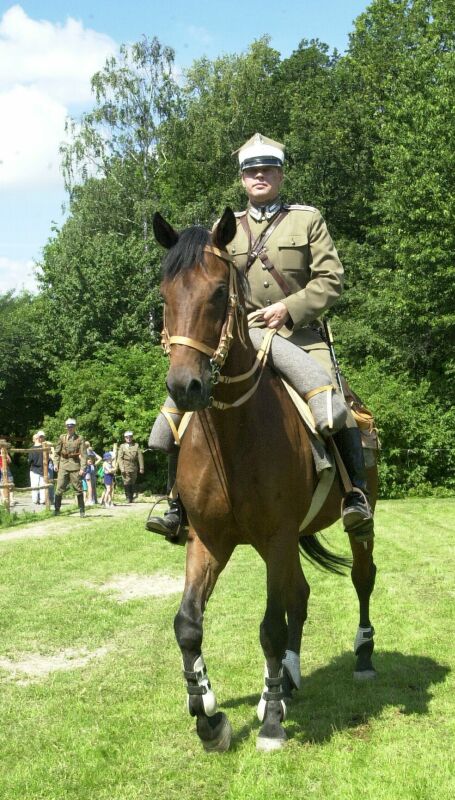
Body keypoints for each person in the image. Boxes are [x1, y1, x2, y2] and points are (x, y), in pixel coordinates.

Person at [147, 133, 373, 539]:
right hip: (241, 339)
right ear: (242, 180)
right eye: (251, 171)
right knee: (179, 407)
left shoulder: (307, 219)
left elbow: (331, 279)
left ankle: (354, 494)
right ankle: (177, 502)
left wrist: (289, 308)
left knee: (331, 402)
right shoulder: (225, 227)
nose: (259, 176)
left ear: (281, 174)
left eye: (267, 169)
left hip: (300, 335)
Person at [53, 418, 87, 517]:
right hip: (63, 465)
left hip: (75, 465)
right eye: (68, 426)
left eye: (72, 426)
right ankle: (56, 509)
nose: (70, 428)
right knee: (59, 487)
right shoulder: (62, 437)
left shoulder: (79, 438)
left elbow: (84, 455)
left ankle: (82, 510)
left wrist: (82, 468)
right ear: (66, 427)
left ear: (75, 427)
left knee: (78, 488)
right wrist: (56, 463)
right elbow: (57, 452)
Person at [116, 431, 144, 503]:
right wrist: (122, 468)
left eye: (130, 437)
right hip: (125, 466)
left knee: (133, 481)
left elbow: (140, 457)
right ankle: (128, 497)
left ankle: (132, 497)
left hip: (134, 466)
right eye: (127, 437)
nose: (129, 438)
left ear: (132, 437)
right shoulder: (122, 446)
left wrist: (141, 467)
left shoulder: (136, 445)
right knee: (126, 481)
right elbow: (120, 458)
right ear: (125, 438)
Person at [28, 430, 47, 505]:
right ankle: (42, 500)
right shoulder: (44, 447)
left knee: (34, 486)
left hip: (34, 469)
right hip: (43, 468)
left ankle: (35, 500)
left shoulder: (31, 449)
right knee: (42, 485)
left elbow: (30, 460)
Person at [0, 439, 15, 506]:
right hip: (2, 469)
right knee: (2, 485)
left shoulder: (5, 452)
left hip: (6, 468)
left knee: (10, 483)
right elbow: (9, 461)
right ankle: (4, 499)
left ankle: (10, 500)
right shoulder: (4, 451)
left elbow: (9, 461)